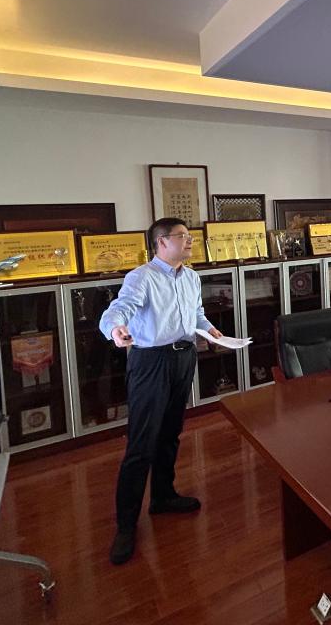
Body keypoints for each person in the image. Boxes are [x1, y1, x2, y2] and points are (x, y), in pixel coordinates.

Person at [99, 217, 223, 565]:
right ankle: (126, 525)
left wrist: (210, 329)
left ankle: (163, 496)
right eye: (182, 236)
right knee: (142, 443)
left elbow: (196, 314)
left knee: (170, 433)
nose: (190, 241)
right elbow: (118, 310)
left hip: (183, 358)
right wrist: (115, 329)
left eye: (189, 236)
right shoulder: (142, 277)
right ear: (161, 242)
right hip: (151, 362)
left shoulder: (192, 276)